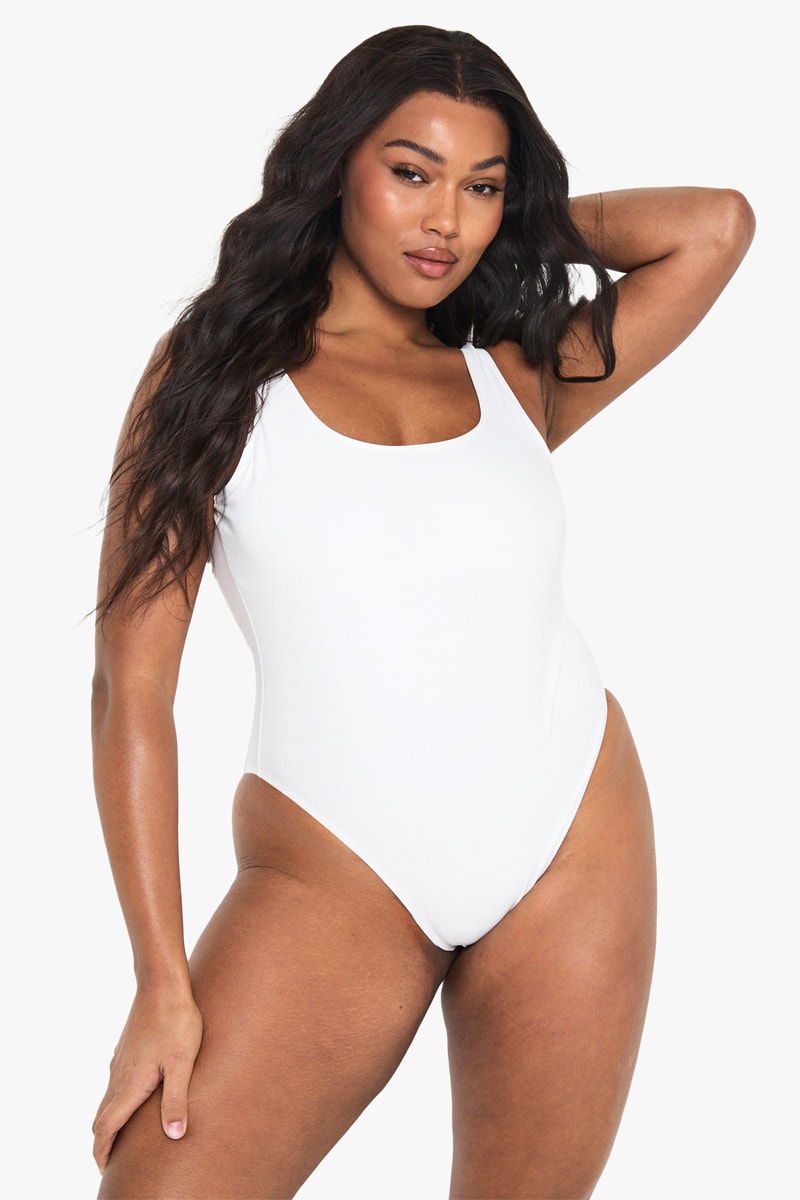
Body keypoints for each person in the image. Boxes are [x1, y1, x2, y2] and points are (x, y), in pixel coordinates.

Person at [90, 23, 754, 1199]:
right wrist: (160, 980)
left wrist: (518, 221)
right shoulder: (214, 378)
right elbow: (129, 689)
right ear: (336, 165)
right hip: (336, 871)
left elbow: (712, 227)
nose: (444, 219)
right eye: (411, 172)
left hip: (569, 839)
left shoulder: (514, 377)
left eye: (479, 186)